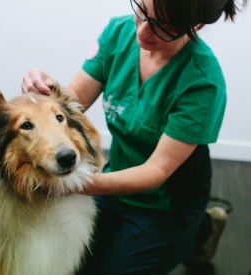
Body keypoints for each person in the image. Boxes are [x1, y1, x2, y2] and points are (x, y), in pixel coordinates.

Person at [21, 0, 247, 274]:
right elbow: (75, 99)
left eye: (162, 27)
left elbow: (156, 170)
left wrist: (78, 185)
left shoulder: (202, 82)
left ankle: (199, 229)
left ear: (196, 26)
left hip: (166, 204)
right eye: (140, 12)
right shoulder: (118, 32)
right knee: (74, 264)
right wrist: (48, 89)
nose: (142, 32)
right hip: (117, 178)